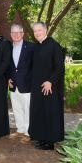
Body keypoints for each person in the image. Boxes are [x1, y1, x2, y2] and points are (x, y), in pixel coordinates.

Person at [28, 22, 65, 150]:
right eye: (35, 31)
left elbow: (59, 68)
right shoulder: (37, 47)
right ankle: (42, 138)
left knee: (50, 113)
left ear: (46, 30)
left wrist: (50, 81)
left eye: (39, 30)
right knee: (40, 112)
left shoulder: (54, 46)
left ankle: (50, 142)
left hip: (50, 87)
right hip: (38, 87)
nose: (37, 33)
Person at [8, 24, 34, 137]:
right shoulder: (8, 47)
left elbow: (35, 66)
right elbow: (8, 66)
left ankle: (28, 132)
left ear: (22, 34)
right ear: (10, 34)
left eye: (18, 32)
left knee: (27, 108)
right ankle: (20, 129)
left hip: (27, 84)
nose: (16, 35)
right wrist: (7, 78)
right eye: (13, 32)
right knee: (16, 108)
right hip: (13, 83)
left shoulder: (31, 47)